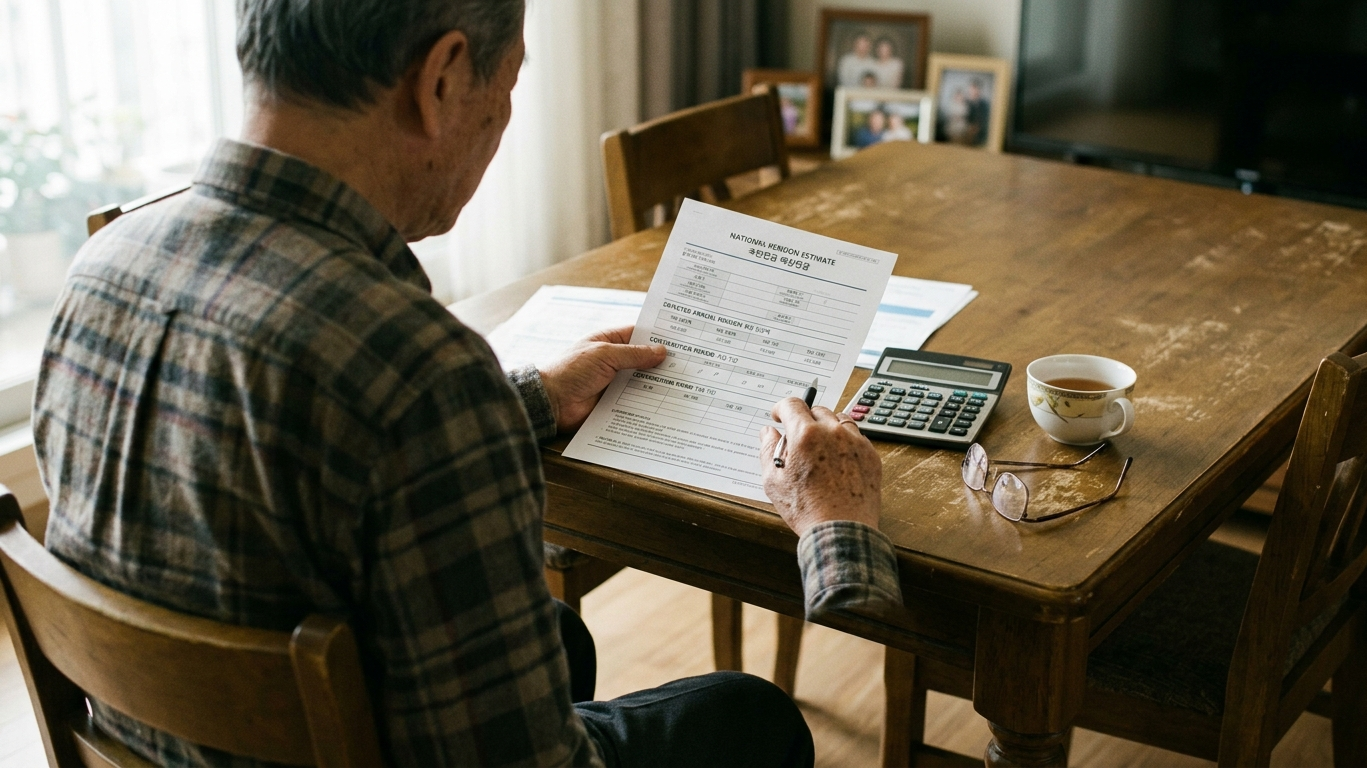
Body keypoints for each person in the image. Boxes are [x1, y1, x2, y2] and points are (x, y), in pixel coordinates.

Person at [31, 1, 901, 767]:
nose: (505, 117)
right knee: (750, 716)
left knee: (554, 639)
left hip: (171, 744)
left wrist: (526, 397)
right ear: (443, 77)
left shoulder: (101, 265)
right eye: (510, 84)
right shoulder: (418, 371)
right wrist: (837, 529)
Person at [965, 77, 992, 146]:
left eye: (975, 89)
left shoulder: (985, 104)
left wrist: (978, 127)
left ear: (979, 90)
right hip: (965, 132)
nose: (973, 91)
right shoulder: (965, 102)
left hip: (980, 135)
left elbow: (986, 121)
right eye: (971, 89)